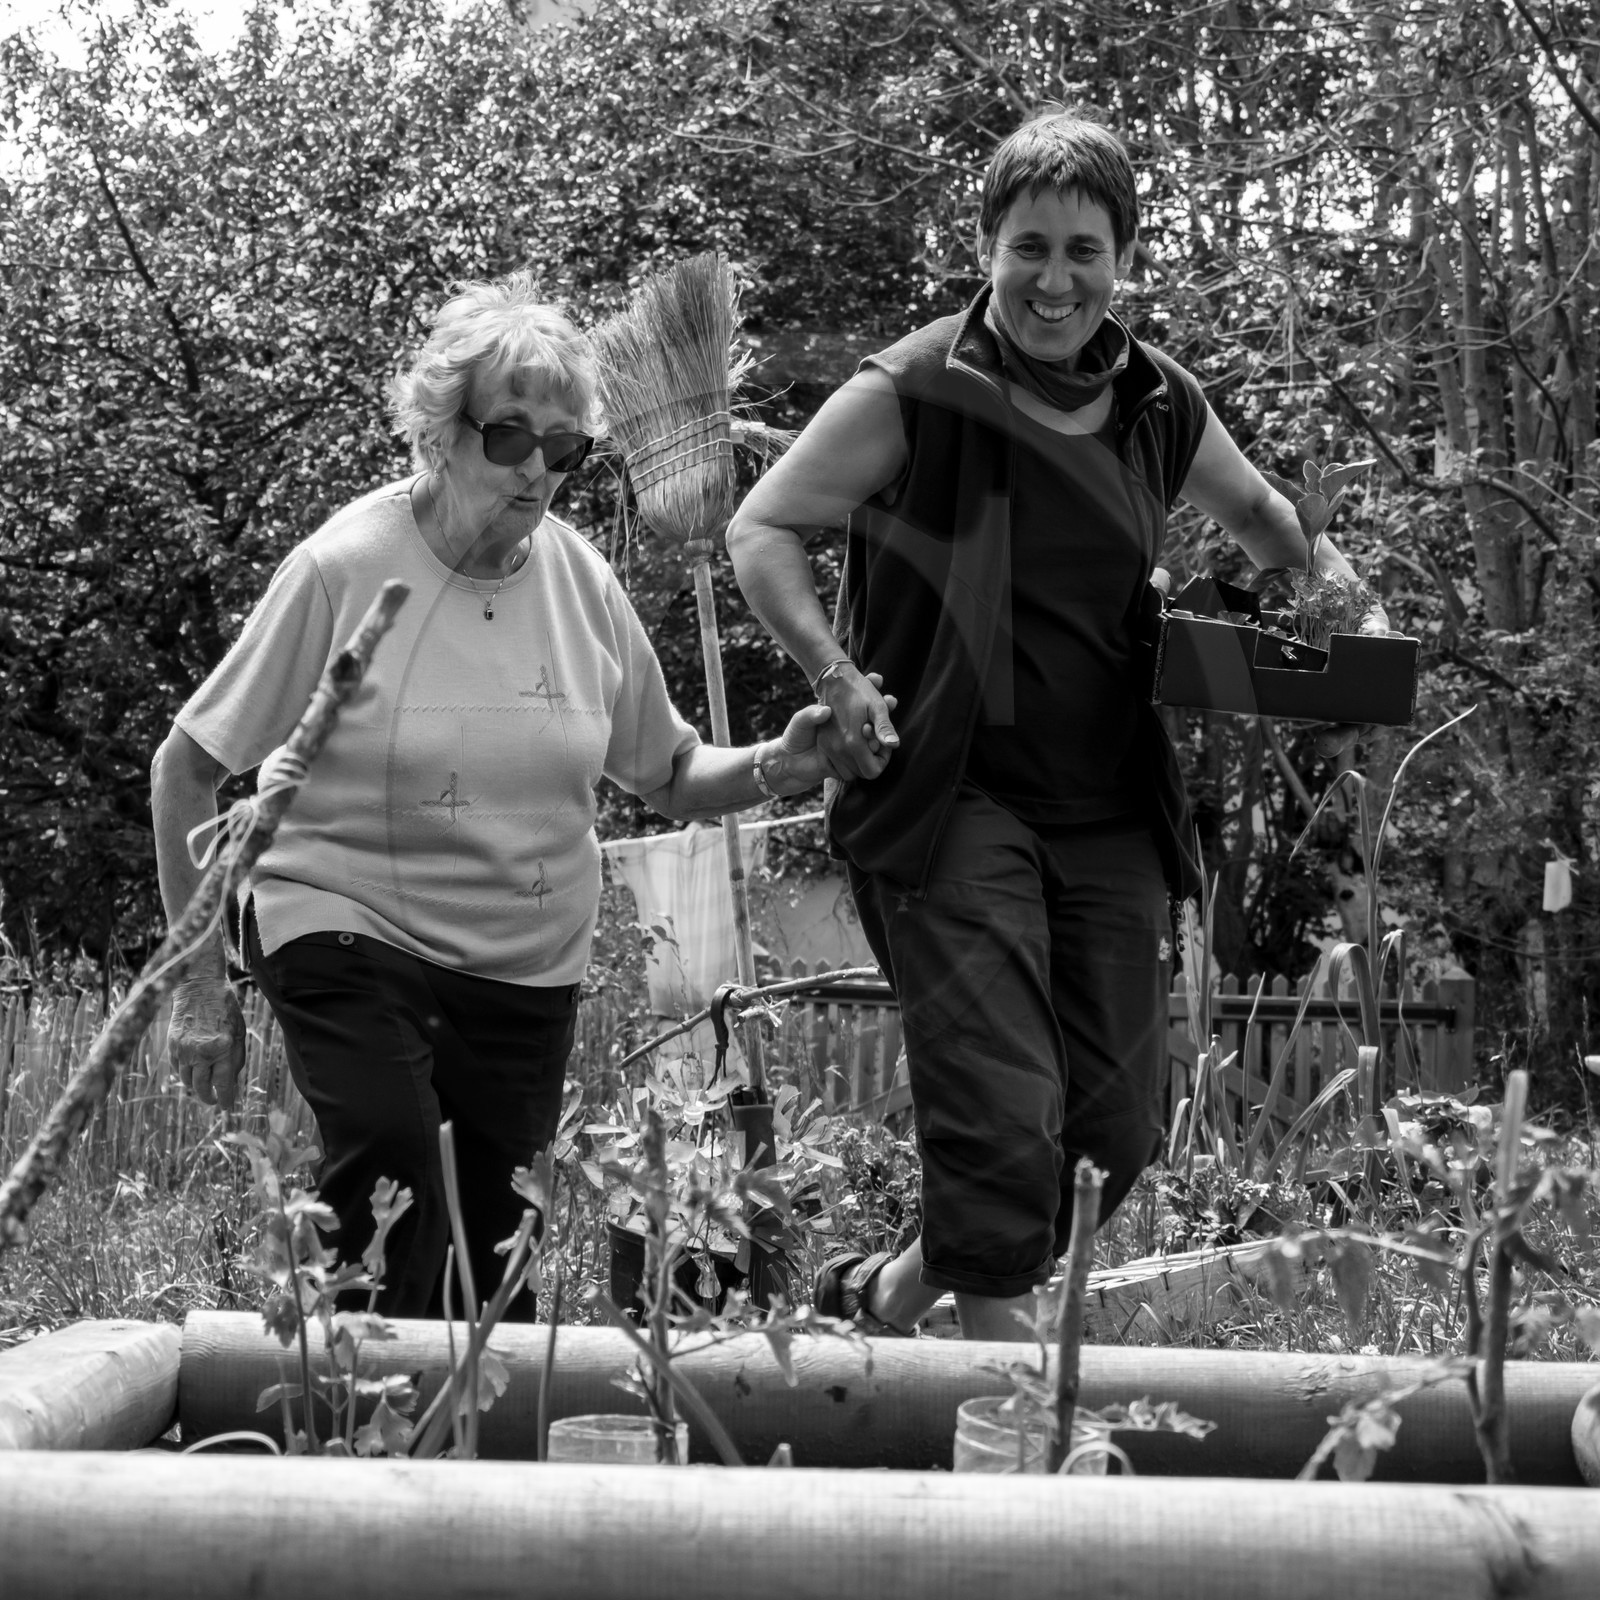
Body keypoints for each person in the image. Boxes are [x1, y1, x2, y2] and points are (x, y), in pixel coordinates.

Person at [726, 110, 1390, 1341]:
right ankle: (1022, 1448)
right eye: (1029, 245)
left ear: (1122, 257)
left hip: (1104, 805)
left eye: (1085, 249)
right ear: (987, 245)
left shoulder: (1153, 403)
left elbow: (1261, 517)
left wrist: (1361, 623)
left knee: (1113, 1126)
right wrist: (833, 672)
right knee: (1001, 1104)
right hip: (945, 794)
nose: (1055, 278)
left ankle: (882, 1294)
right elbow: (761, 526)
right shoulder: (919, 387)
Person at [150, 271, 838, 1318]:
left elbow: (667, 771)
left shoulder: (581, 587)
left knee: (493, 1261)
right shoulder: (344, 568)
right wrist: (197, 987)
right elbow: (185, 766)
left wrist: (777, 765)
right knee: (388, 1168)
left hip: (522, 974)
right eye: (509, 436)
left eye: (565, 448)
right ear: (440, 429)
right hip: (346, 923)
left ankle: (460, 1460)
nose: (538, 469)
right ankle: (348, 1426)